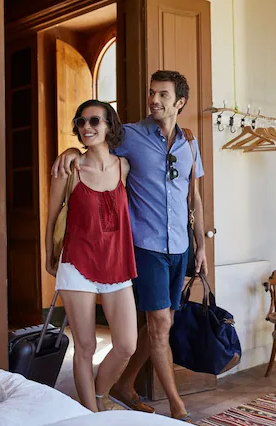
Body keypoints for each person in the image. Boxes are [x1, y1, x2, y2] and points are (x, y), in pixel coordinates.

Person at [51, 71, 207, 422]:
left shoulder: (190, 142)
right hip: (142, 245)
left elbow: (194, 197)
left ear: (180, 102)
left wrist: (201, 247)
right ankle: (177, 407)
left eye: (163, 95)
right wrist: (71, 149)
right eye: (152, 92)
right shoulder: (132, 136)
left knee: (161, 323)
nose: (154, 100)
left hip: (179, 245)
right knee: (159, 322)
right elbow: (95, 145)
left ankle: (121, 385)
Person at [45, 99, 138, 412]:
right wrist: (48, 256)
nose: (86, 127)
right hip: (77, 264)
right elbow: (52, 216)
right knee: (85, 346)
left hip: (118, 263)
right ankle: (91, 415)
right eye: (81, 121)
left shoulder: (124, 167)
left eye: (94, 121)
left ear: (109, 125)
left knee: (126, 344)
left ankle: (99, 395)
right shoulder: (69, 169)